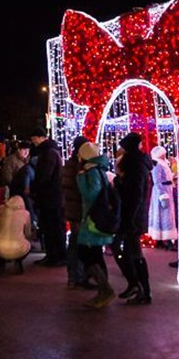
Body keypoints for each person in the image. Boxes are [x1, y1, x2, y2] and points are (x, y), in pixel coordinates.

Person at [111, 133, 154, 305]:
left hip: (132, 215)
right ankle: (136, 285)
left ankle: (141, 288)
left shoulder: (135, 165)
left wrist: (130, 217)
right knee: (127, 250)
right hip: (131, 214)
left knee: (131, 251)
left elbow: (135, 193)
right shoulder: (135, 163)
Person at [76, 142, 117, 308]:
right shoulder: (99, 170)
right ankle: (103, 290)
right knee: (94, 254)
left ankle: (105, 289)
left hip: (92, 218)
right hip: (96, 217)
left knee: (85, 252)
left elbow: (90, 194)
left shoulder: (92, 172)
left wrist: (80, 178)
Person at [30, 127, 66, 267]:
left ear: (40, 137)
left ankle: (56, 256)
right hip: (52, 196)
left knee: (52, 227)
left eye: (34, 139)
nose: (33, 142)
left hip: (50, 197)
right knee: (52, 227)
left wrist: (35, 189)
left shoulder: (48, 153)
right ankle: (54, 255)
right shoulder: (52, 151)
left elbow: (44, 176)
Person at [62, 136, 95, 290]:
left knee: (76, 243)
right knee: (80, 244)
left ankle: (74, 277)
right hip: (80, 210)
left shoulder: (70, 165)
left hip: (72, 209)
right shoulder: (80, 167)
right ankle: (79, 276)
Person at [0, 195, 32, 274]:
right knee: (27, 245)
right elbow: (28, 233)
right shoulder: (26, 214)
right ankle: (18, 262)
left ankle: (1, 263)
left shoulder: (0, 209)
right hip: (18, 247)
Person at [148, 145, 178, 247]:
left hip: (167, 190)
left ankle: (165, 239)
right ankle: (165, 239)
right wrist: (163, 194)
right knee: (163, 215)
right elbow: (157, 181)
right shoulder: (157, 164)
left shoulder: (164, 164)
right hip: (162, 192)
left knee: (167, 215)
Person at [0, 142, 29, 210]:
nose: (26, 152)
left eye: (28, 150)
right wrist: (15, 187)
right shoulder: (11, 159)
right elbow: (7, 175)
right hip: (14, 191)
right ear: (19, 150)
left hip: (23, 190)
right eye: (24, 150)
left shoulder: (27, 160)